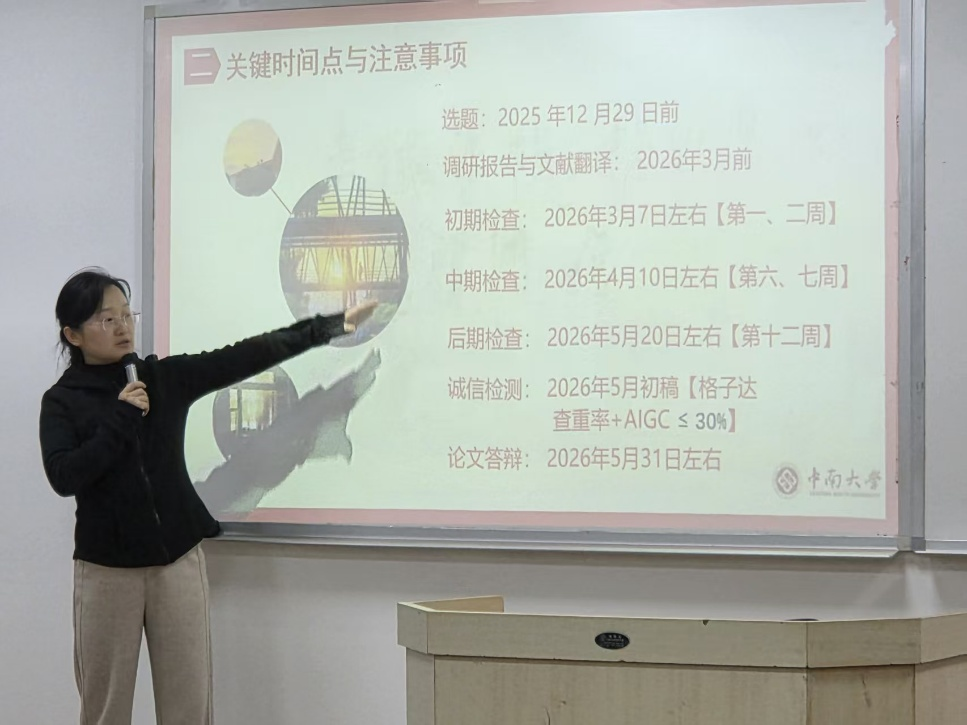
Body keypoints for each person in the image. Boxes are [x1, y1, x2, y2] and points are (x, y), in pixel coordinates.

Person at [38, 268, 376, 725]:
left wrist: (326, 327)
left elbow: (244, 355)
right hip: (106, 572)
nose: (122, 327)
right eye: (106, 319)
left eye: (126, 315)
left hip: (177, 563)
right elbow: (64, 476)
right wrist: (120, 418)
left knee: (190, 706)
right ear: (73, 334)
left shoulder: (163, 379)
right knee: (105, 710)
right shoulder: (61, 401)